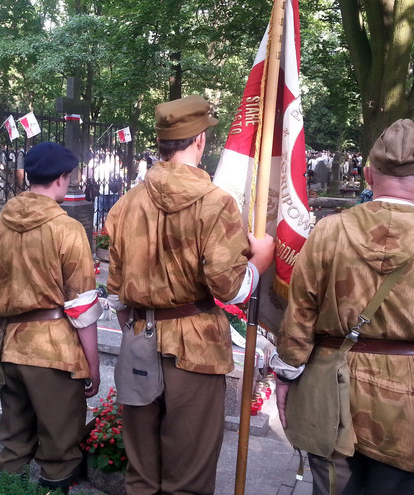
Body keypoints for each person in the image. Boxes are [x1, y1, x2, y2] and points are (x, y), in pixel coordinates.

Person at [272, 119, 414, 495]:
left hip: (328, 393)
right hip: (410, 406)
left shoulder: (328, 232)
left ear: (368, 174)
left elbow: (299, 315)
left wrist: (286, 377)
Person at [104, 95, 275, 494]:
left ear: (164, 142)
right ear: (200, 140)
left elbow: (115, 290)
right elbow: (229, 287)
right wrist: (260, 263)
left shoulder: (127, 203)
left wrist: (138, 323)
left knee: (141, 475)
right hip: (195, 348)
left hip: (138, 343)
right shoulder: (216, 203)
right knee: (189, 478)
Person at [0, 141, 102, 494]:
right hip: (54, 353)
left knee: (14, 443)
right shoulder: (67, 229)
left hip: (10, 348)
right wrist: (92, 365)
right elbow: (81, 307)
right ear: (62, 178)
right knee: (59, 449)